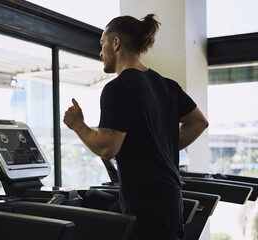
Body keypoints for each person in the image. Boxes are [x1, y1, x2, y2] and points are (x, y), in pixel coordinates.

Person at [63, 14, 209, 240]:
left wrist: (78, 125)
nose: (100, 52)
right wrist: (160, 146)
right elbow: (199, 122)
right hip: (170, 200)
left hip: (145, 207)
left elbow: (107, 148)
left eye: (102, 44)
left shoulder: (118, 88)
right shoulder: (166, 85)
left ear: (116, 43)